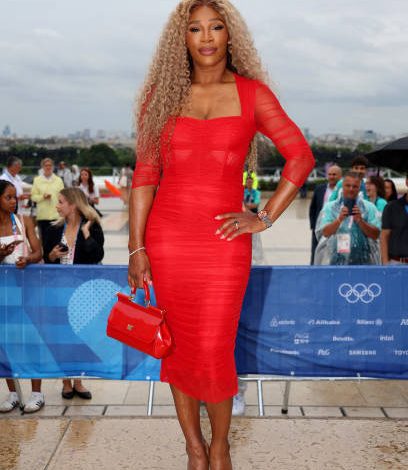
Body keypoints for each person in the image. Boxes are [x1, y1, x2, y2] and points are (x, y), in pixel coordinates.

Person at [128, 2, 315, 468]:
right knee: (177, 345)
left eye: (216, 27)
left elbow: (300, 156)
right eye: (195, 28)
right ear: (183, 38)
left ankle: (220, 445)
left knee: (213, 347)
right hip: (168, 240)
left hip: (224, 244)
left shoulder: (253, 95)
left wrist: (264, 217)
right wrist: (136, 247)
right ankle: (194, 448)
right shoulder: (160, 98)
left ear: (231, 35)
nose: (207, 37)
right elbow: (145, 175)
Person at [43, 188, 104, 399]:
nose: (57, 206)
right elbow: (46, 260)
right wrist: (52, 256)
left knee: (80, 337)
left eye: (61, 202)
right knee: (61, 338)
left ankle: (78, 380)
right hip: (58, 292)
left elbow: (97, 255)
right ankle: (66, 382)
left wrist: (86, 233)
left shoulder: (92, 227)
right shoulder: (52, 230)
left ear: (74, 204)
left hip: (83, 293)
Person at [0, 180, 44, 413]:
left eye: (14, 197)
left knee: (31, 340)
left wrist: (27, 259)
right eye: (8, 197)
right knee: (6, 341)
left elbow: (38, 251)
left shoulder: (23, 221)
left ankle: (37, 393)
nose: (13, 201)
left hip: (26, 290)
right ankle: (14, 392)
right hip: (4, 294)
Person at [315, 172, 381, 265]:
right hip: (335, 262)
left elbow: (376, 235)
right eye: (348, 186)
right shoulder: (330, 207)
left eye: (355, 186)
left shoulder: (369, 207)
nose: (351, 189)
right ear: (342, 186)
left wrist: (360, 221)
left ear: (359, 188)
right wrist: (339, 220)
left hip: (364, 263)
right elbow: (325, 233)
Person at [309, 164, 342, 264]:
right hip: (320, 228)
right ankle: (315, 270)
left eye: (334, 174)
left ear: (340, 176)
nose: (331, 177)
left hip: (338, 228)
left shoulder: (344, 190)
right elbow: (313, 208)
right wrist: (313, 226)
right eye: (330, 174)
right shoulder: (319, 189)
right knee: (317, 252)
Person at [30, 158, 64, 240]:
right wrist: (43, 197)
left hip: (56, 216)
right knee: (44, 242)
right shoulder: (37, 180)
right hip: (42, 216)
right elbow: (33, 197)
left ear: (53, 167)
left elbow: (63, 197)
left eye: (50, 165)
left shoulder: (59, 180)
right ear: (42, 167)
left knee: (57, 241)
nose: (48, 167)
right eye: (46, 165)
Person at [381, 175, 408, 265]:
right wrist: (385, 264)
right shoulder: (391, 207)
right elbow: (384, 236)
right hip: (397, 262)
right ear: (407, 181)